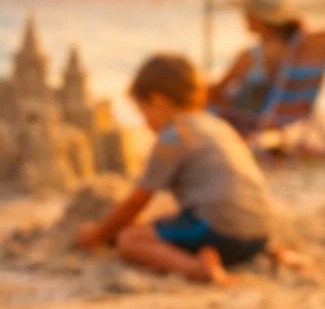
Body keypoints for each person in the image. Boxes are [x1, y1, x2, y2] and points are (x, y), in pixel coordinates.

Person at [76, 53, 273, 285]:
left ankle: (196, 269)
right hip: (260, 235)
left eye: (143, 113)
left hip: (222, 233)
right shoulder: (215, 125)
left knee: (129, 240)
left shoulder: (173, 136)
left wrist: (98, 235)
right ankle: (272, 252)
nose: (144, 123)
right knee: (167, 222)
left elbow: (137, 201)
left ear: (159, 102)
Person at [208, 0, 304, 131]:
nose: (243, 17)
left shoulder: (252, 56)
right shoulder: (295, 47)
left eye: (246, 13)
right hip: (284, 114)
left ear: (258, 17)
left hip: (244, 118)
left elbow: (218, 91)